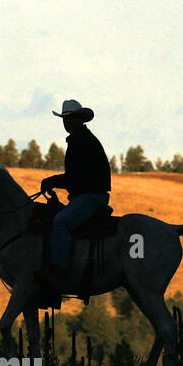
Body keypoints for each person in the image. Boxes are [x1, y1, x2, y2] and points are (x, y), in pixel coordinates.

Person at [38, 99, 110, 283]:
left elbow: (76, 177)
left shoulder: (82, 142)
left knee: (60, 222)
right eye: (65, 119)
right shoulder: (81, 139)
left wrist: (52, 181)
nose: (67, 122)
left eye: (71, 118)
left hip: (91, 197)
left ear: (80, 119)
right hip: (89, 195)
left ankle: (60, 271)